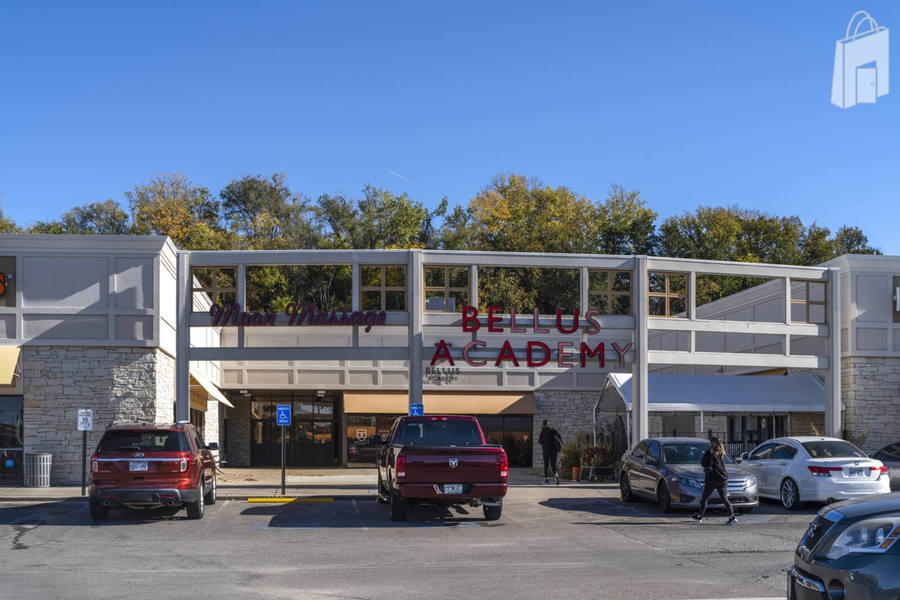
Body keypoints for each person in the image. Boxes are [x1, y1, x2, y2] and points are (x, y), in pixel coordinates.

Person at [691, 437, 737, 525]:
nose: (709, 444)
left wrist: (707, 466)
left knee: (705, 498)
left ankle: (699, 516)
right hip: (722, 478)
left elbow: (703, 463)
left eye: (710, 442)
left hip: (712, 478)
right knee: (724, 498)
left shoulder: (710, 452)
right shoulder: (722, 452)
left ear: (712, 443)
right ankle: (732, 517)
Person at [538, 420, 562, 485]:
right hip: (554, 451)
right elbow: (559, 439)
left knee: (546, 464)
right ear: (548, 424)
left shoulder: (543, 432)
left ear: (544, 425)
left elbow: (540, 441)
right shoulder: (553, 431)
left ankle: (547, 479)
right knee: (553, 465)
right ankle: (556, 475)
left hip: (546, 451)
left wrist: (545, 442)